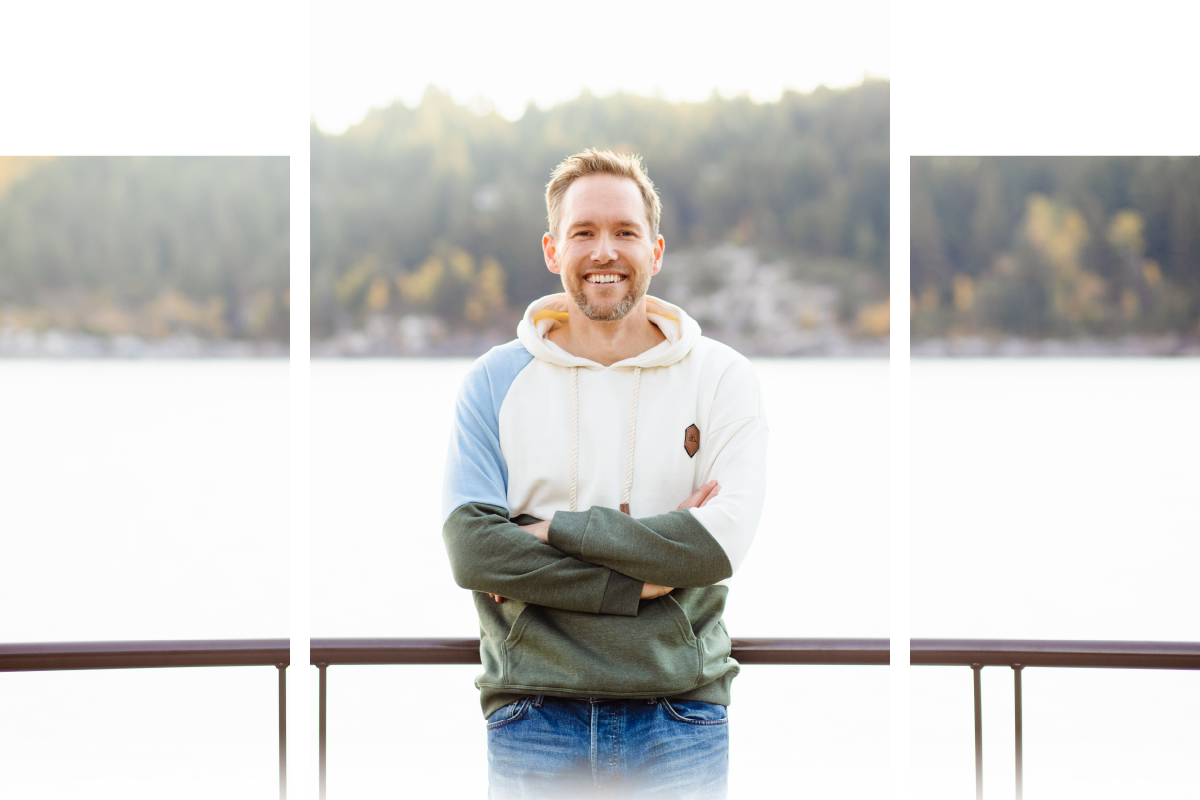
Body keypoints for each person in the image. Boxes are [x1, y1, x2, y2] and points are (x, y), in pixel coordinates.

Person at [442, 148, 767, 799]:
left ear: (656, 250)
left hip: (680, 712)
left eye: (625, 232)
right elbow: (474, 550)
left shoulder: (720, 377)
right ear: (552, 250)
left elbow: (717, 544)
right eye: (583, 232)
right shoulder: (493, 381)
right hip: (534, 710)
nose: (604, 251)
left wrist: (544, 531)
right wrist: (642, 581)